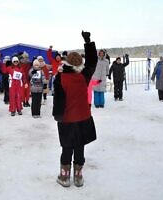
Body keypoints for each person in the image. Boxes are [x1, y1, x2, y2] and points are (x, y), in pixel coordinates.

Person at [52, 31, 98, 187]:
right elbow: (92, 60)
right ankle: (78, 177)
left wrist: (57, 115)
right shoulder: (84, 75)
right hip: (83, 118)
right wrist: (88, 41)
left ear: (67, 63)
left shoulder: (60, 77)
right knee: (80, 147)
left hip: (67, 119)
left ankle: (64, 178)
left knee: (67, 148)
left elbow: (58, 99)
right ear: (80, 64)